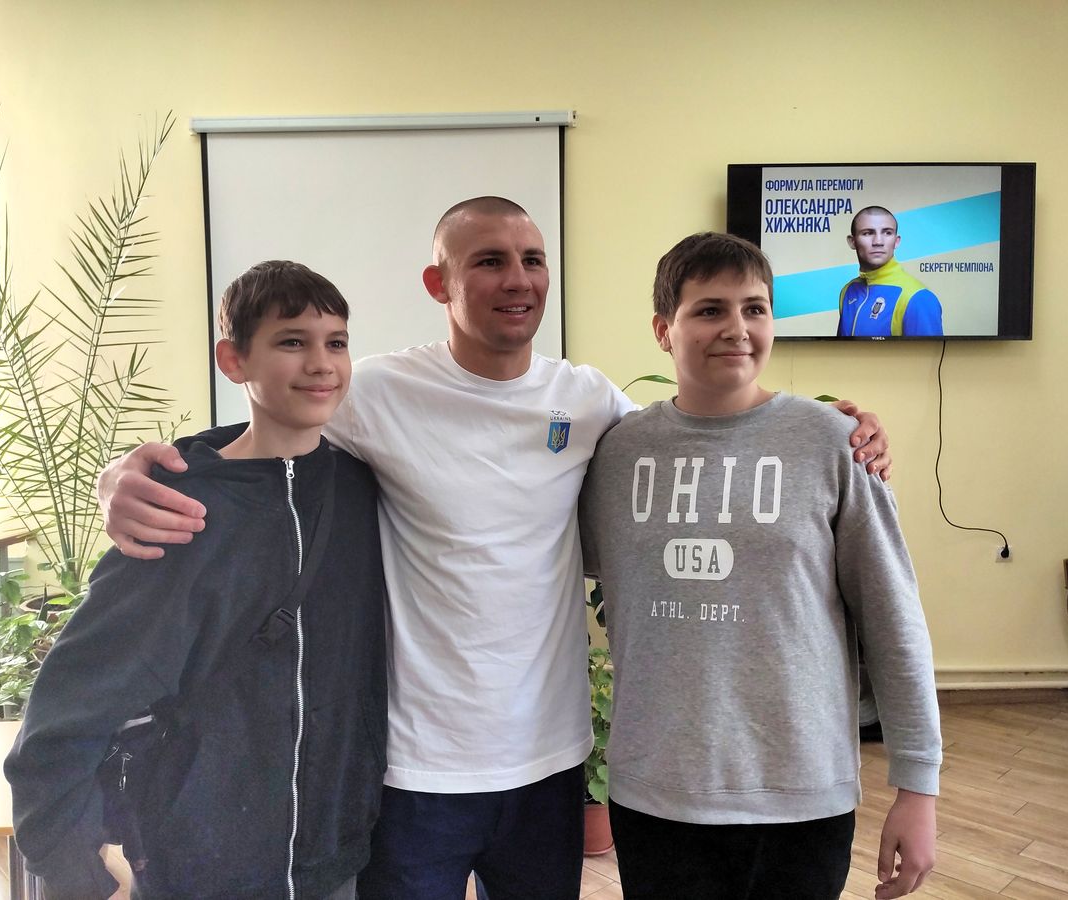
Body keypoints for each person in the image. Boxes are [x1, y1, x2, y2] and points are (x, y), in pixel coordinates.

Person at [96, 198, 894, 899]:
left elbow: (700, 441)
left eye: (532, 260)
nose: (518, 279)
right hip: (415, 768)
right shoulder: (376, 390)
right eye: (489, 261)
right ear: (438, 283)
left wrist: (841, 432)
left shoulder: (586, 399)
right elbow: (262, 432)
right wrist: (129, 472)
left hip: (550, 764)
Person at [5, 261, 387, 900]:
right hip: (202, 864)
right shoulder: (177, 509)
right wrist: (74, 869)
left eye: (337, 342)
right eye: (292, 341)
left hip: (334, 854)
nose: (321, 363)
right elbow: (71, 702)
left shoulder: (362, 488)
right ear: (234, 361)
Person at [580, 232, 941, 900]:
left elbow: (893, 619)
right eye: (709, 310)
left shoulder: (834, 443)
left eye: (755, 309)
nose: (736, 328)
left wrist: (918, 786)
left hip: (801, 797)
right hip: (655, 795)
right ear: (663, 330)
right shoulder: (616, 454)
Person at [837, 205, 943, 337]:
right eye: (868, 233)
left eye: (887, 233)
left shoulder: (918, 298)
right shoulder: (848, 290)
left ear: (896, 241)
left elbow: (929, 351)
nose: (878, 242)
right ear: (852, 242)